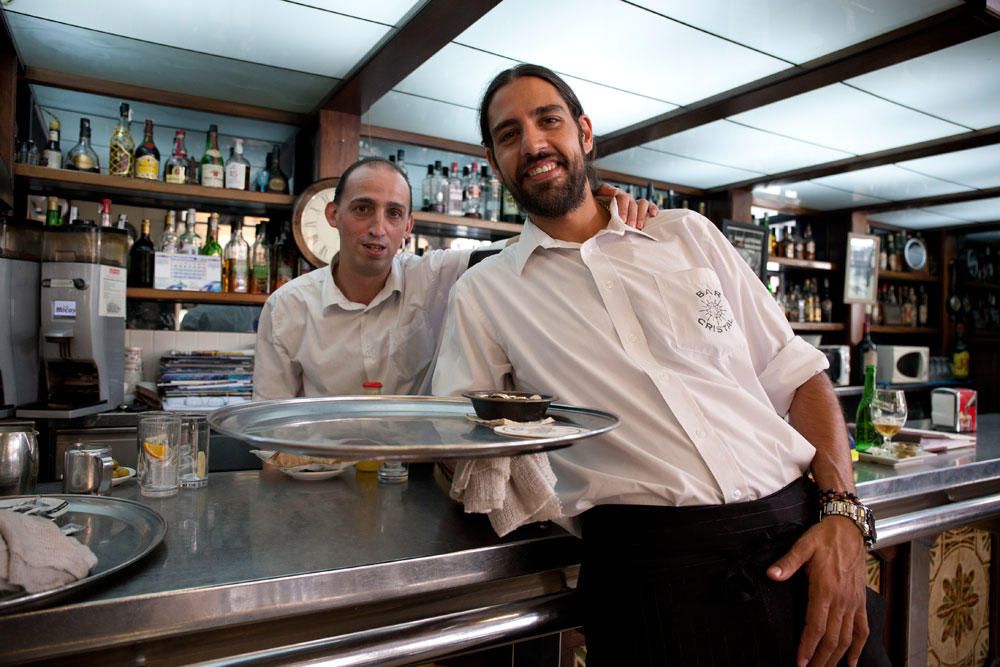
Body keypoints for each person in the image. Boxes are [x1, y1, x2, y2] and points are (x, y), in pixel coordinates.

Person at [431, 64, 888, 666]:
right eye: (509, 134)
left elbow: (799, 374)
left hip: (801, 534)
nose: (535, 144)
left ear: (585, 134)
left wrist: (844, 515)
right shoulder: (486, 291)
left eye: (548, 121)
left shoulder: (689, 235)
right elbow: (460, 446)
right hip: (650, 575)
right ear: (494, 162)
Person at [253, 156, 654, 399]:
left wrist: (593, 213)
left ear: (408, 225)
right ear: (333, 215)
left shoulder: (431, 276)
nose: (378, 228)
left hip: (417, 476)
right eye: (362, 209)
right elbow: (266, 425)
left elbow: (519, 246)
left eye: (393, 214)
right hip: (322, 478)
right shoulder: (288, 307)